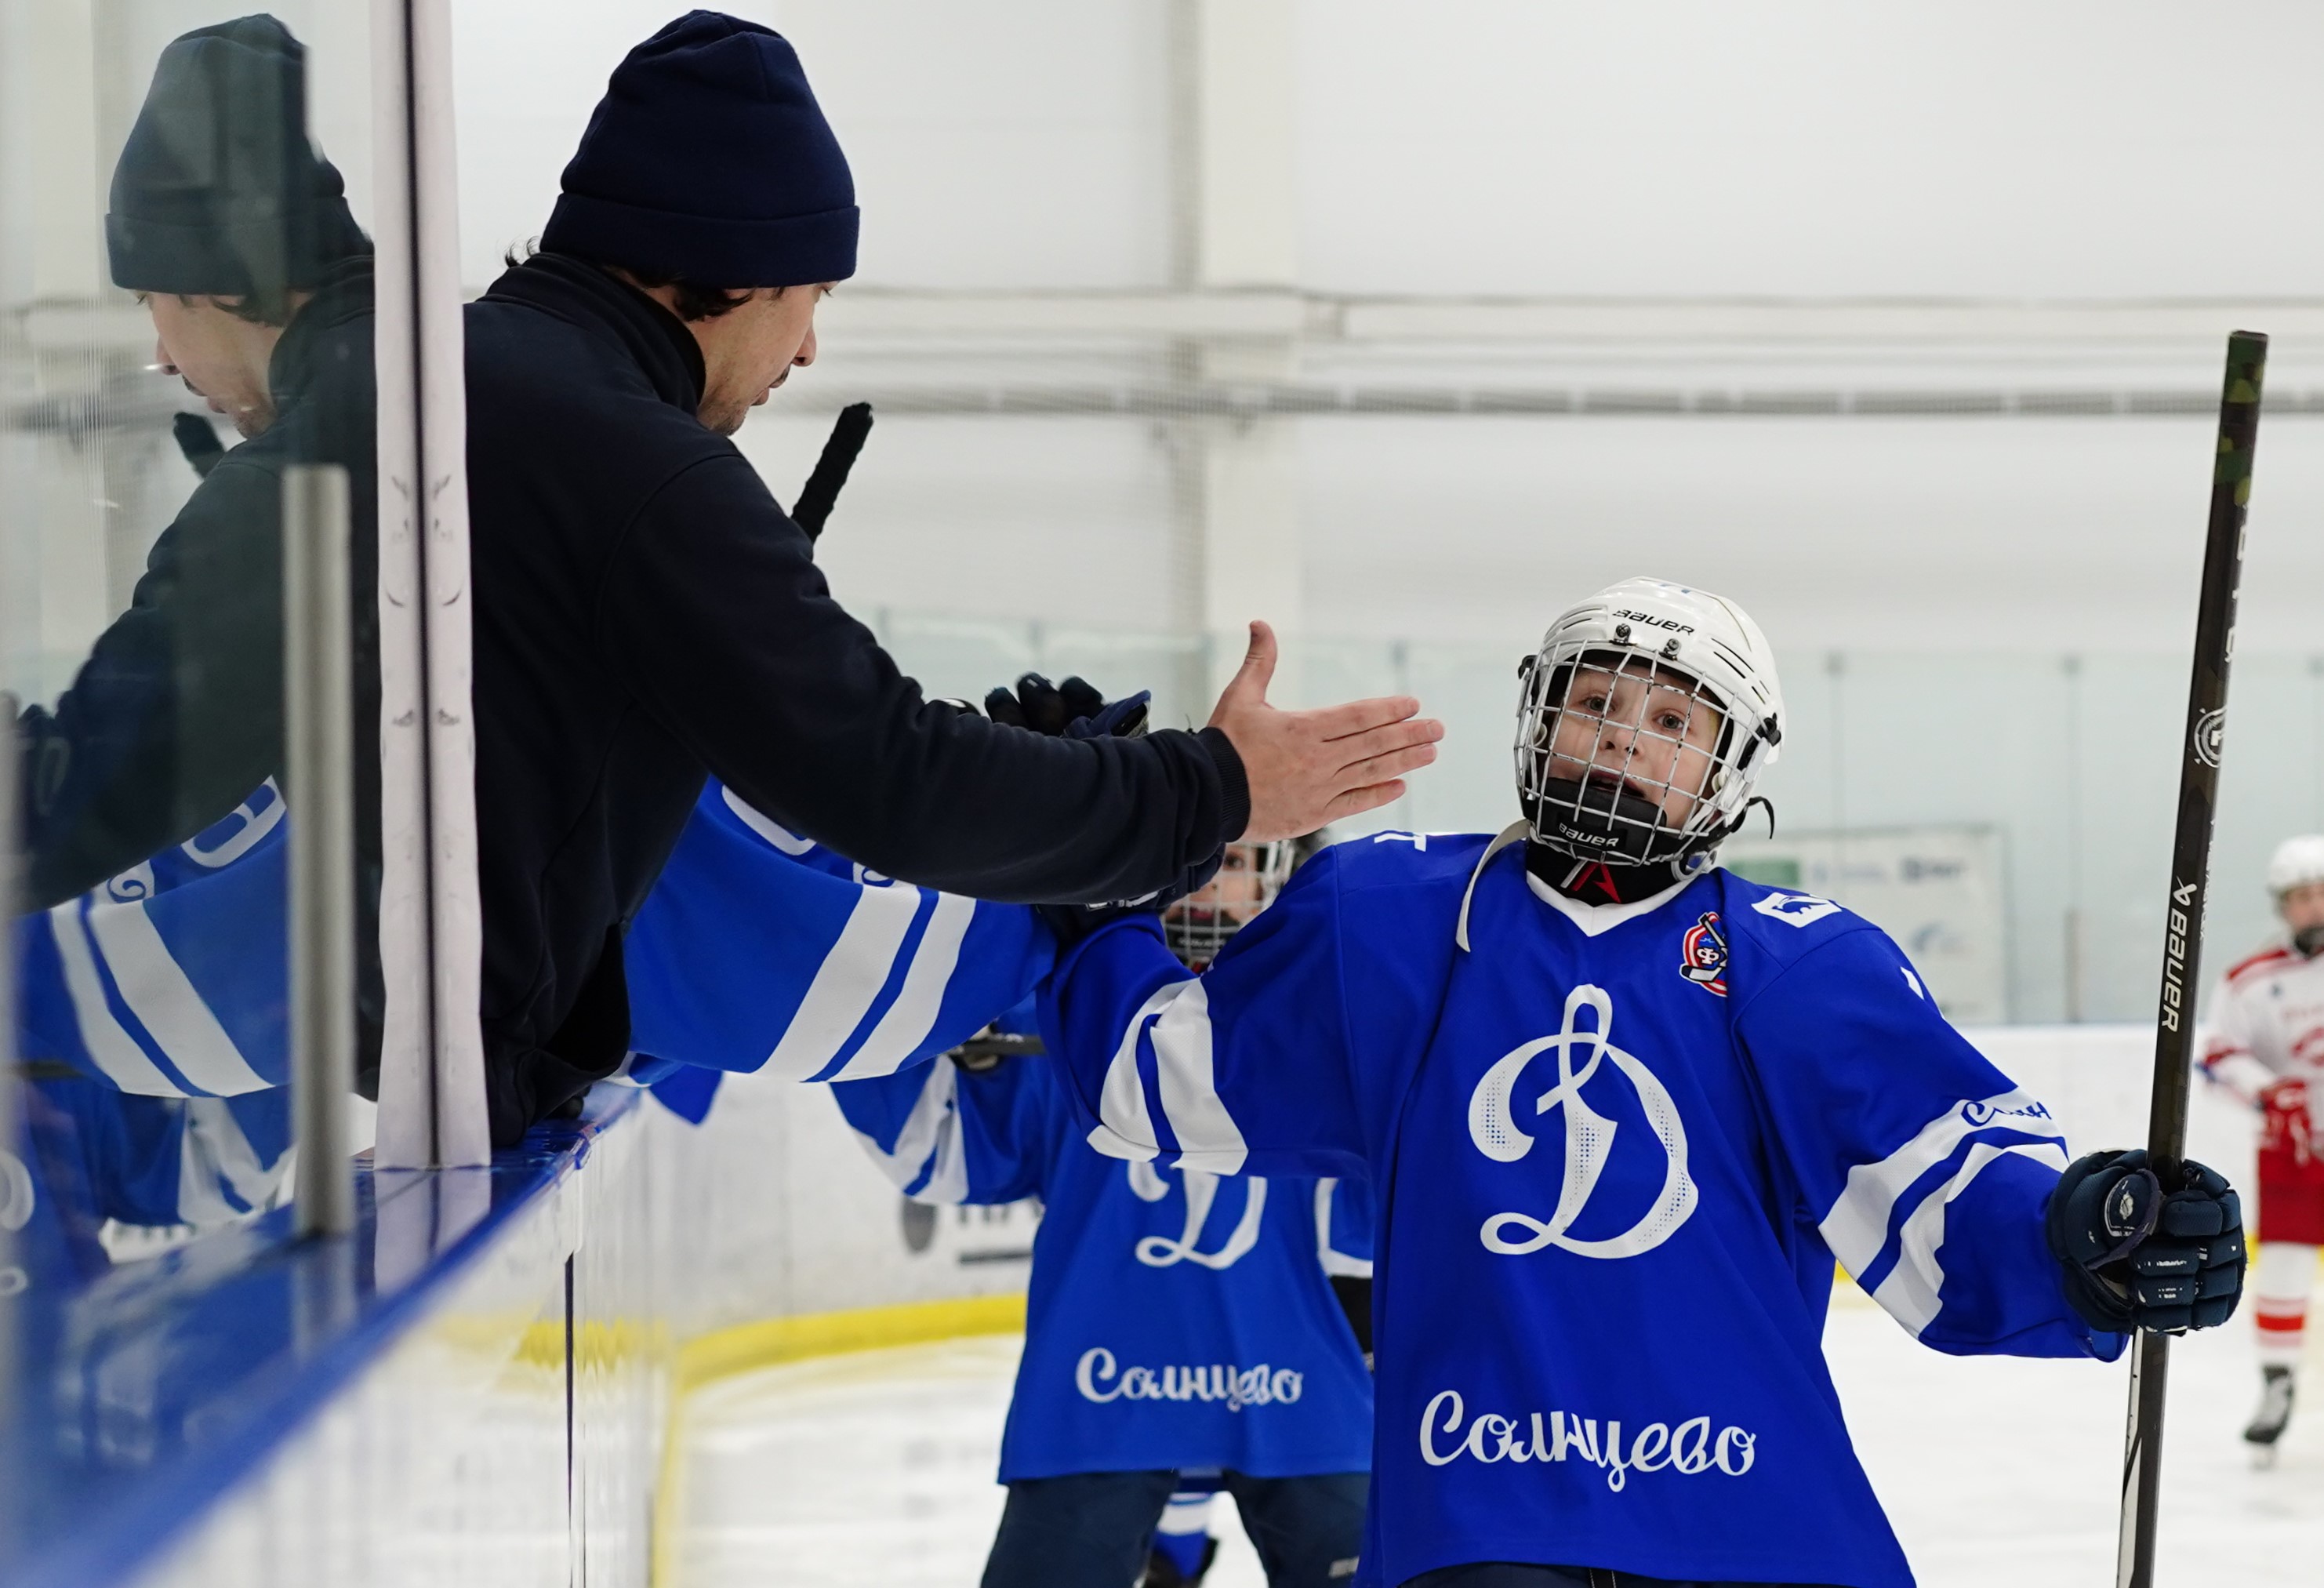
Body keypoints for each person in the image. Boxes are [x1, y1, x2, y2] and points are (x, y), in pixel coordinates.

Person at [1037, 576, 2246, 1588]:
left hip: (1762, 1525)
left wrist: (2093, 1236)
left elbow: (1950, 1197)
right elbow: (1165, 1078)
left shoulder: (1802, 966)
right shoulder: (1388, 923)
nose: (1624, 733)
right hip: (1486, 1523)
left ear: (1730, 766)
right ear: (1535, 719)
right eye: (1597, 702)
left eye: (1676, 720)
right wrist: (1108, 858)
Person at [450, 10, 1439, 1143]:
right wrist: (1209, 790)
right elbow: (889, 778)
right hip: (420, 1084)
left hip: (381, 1061)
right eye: (813, 297)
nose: (810, 349)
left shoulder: (436, 380)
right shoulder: (643, 470)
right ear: (738, 269)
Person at [831, 842, 1374, 1588]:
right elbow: (943, 1151)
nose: (1214, 882)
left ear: (1282, 876)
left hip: (1296, 1400)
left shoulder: (1324, 1018)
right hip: (1110, 1400)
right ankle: (1176, 1554)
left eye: (1241, 860)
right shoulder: (1073, 1009)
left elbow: (1380, 1220)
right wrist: (927, 1040)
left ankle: (1177, 1554)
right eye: (1199, 859)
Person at [13, 15, 384, 1053]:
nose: (165, 358)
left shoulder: (304, 473)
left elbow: (98, 782)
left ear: (217, 284)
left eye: (153, 305)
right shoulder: (432, 381)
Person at [2197, 834, 2324, 1458]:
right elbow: (2218, 1053)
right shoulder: (2251, 979)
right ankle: (2277, 1385)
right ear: (2283, 904)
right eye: (2303, 896)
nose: (2316, 906)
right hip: (2293, 1149)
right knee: (2285, 1268)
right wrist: (2270, 1092)